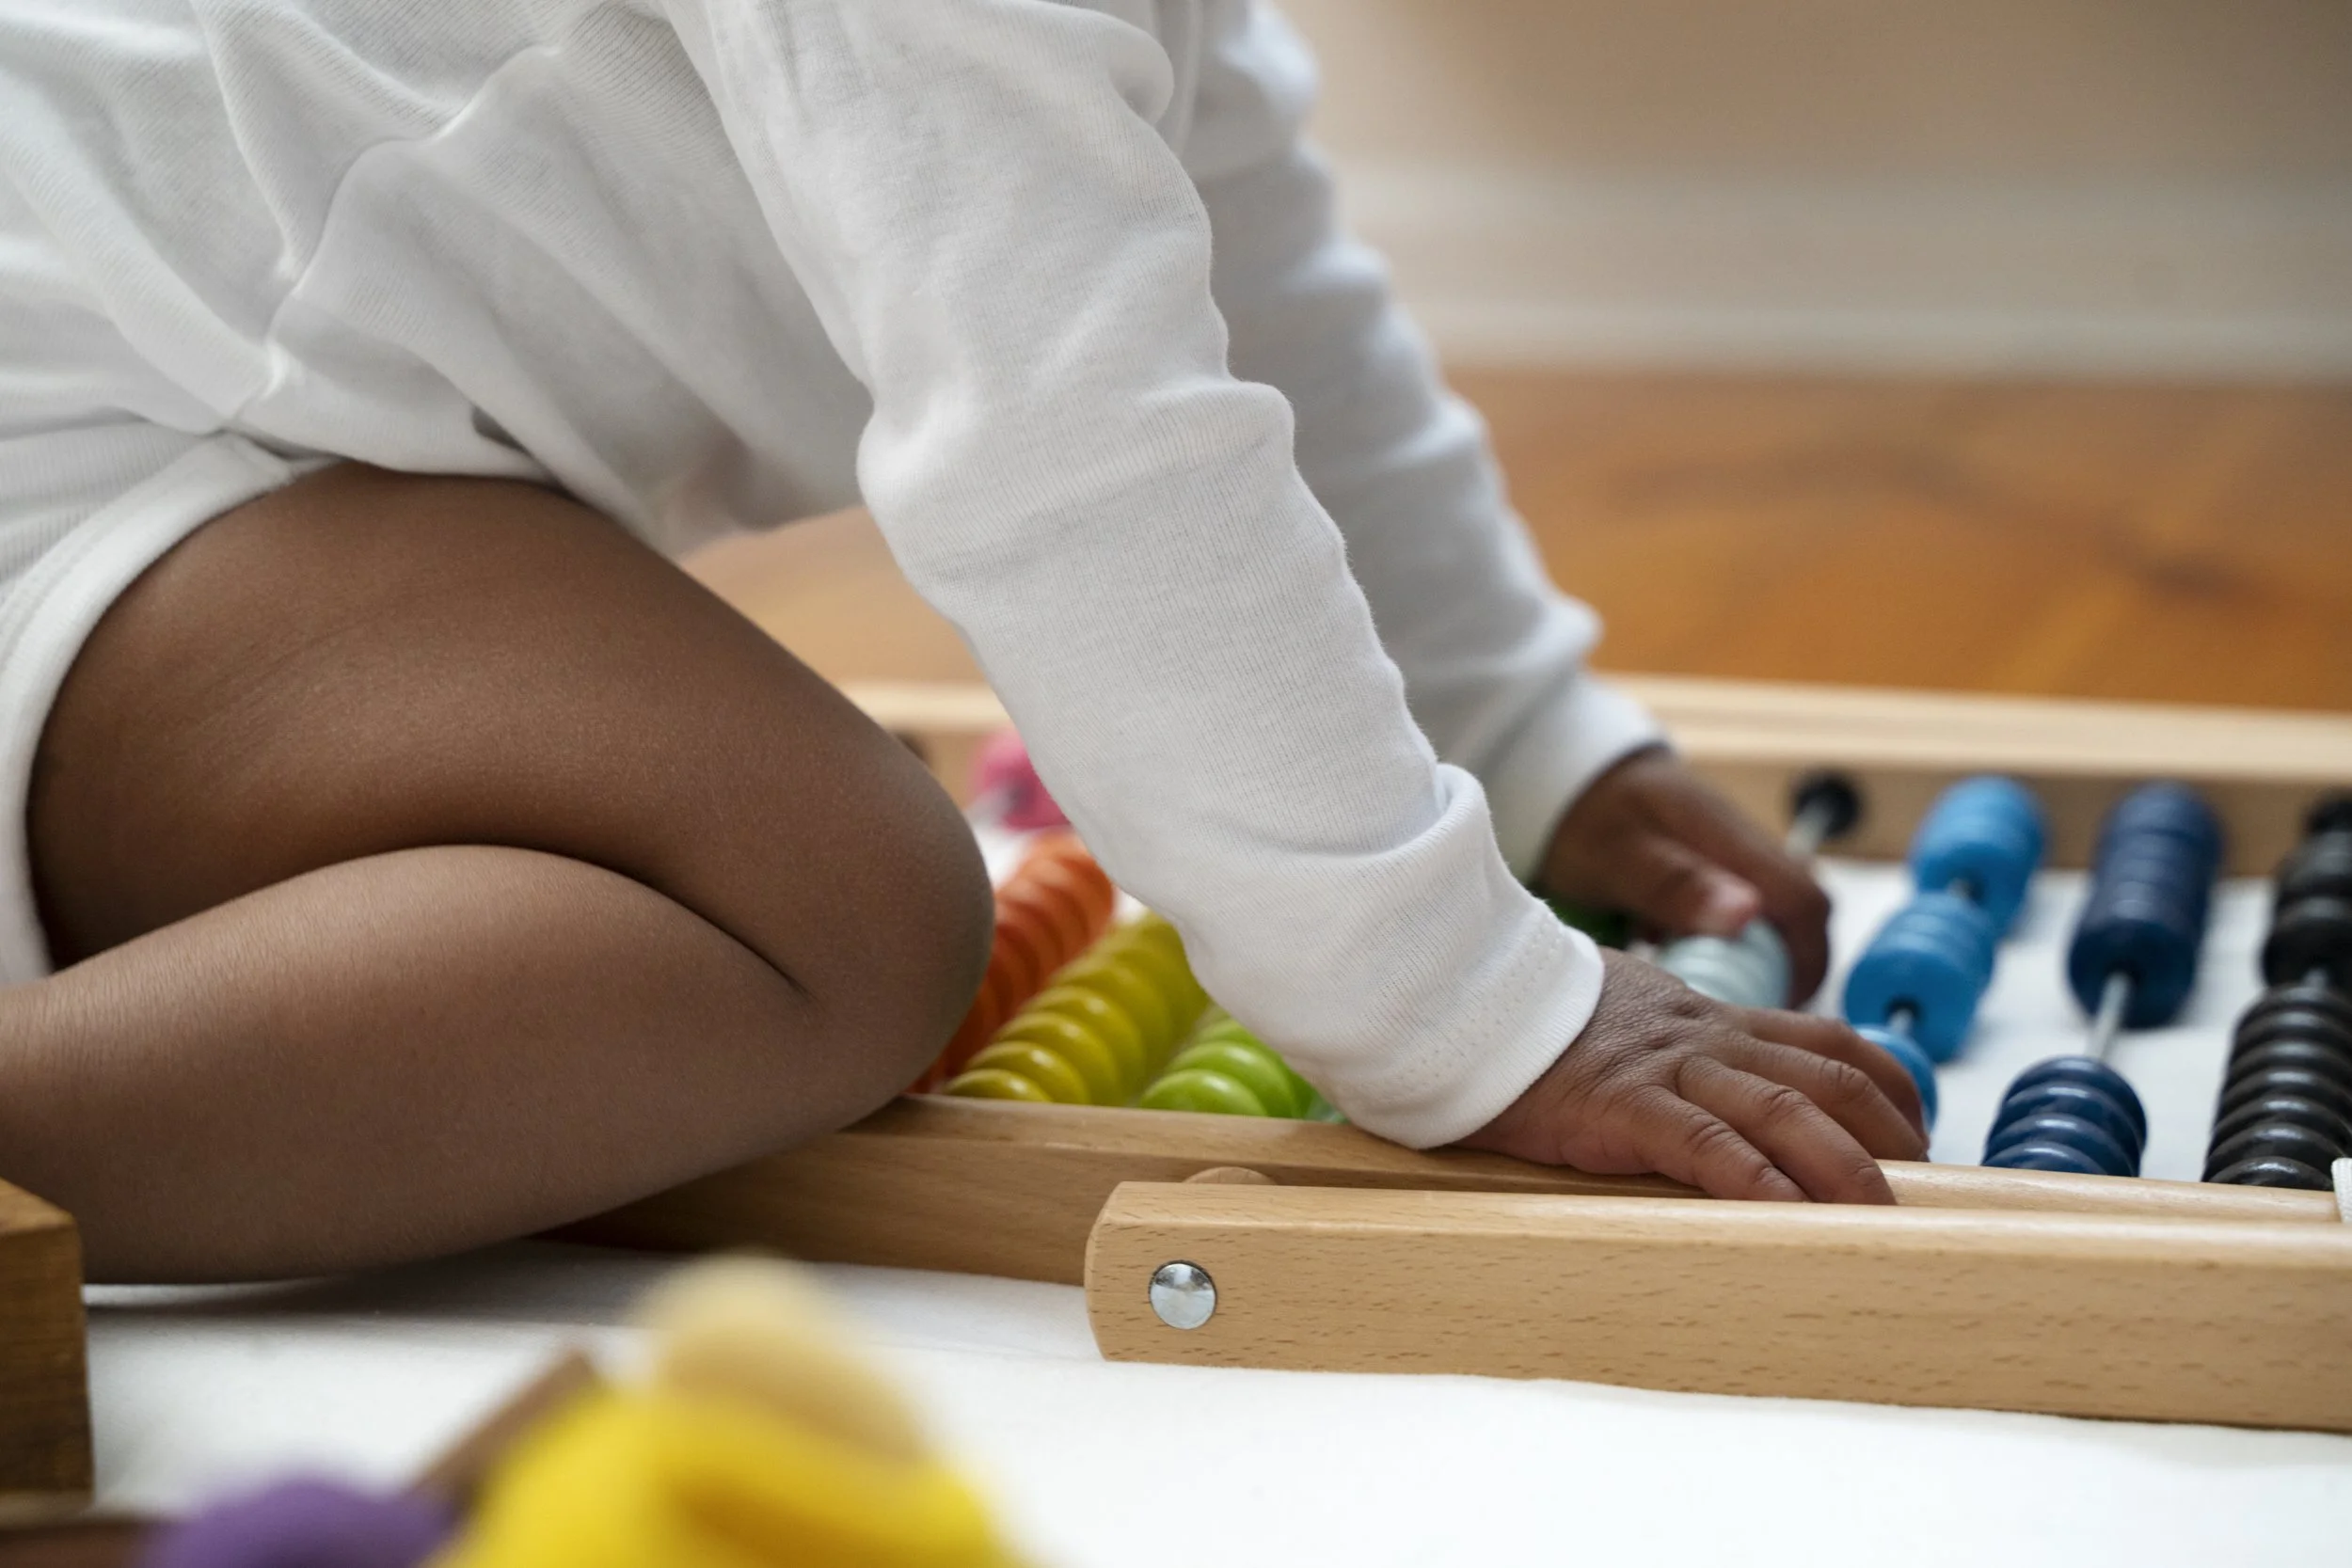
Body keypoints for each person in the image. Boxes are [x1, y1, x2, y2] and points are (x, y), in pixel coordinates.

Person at [0, 0, 1922, 1281]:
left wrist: (1516, 721)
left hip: (211, 443)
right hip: (81, 458)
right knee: (825, 903)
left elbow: (1242, 277)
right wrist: (1459, 1008)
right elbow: (1070, 437)